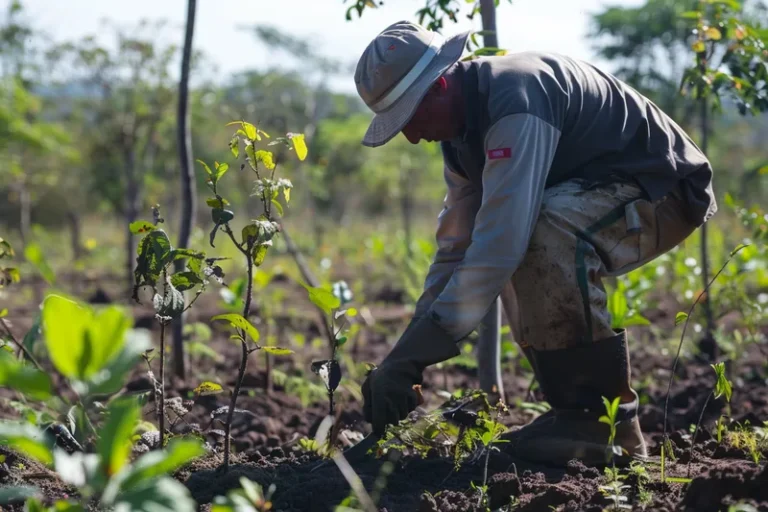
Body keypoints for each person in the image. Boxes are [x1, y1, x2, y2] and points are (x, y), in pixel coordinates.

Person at [354, 20, 716, 467]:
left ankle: (595, 417)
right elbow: (457, 248)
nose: (410, 136)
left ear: (441, 84)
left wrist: (416, 353)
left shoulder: (515, 100)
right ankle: (589, 419)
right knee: (517, 236)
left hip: (664, 189)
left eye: (410, 117)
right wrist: (405, 356)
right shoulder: (461, 138)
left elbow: (502, 242)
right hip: (593, 195)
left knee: (533, 231)